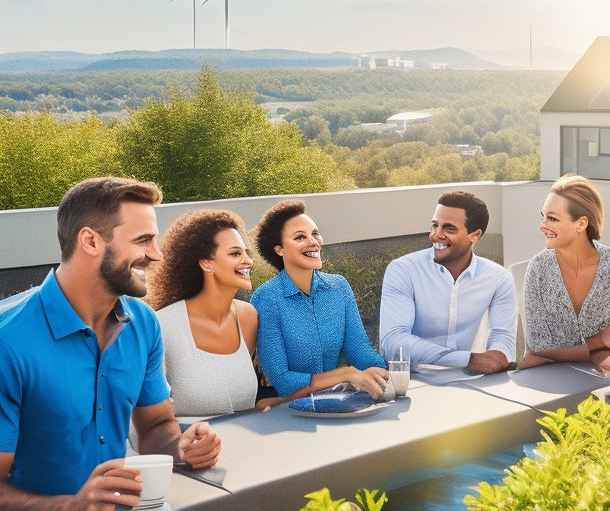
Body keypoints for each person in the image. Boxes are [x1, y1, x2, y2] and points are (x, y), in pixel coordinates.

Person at [0, 176, 221, 510]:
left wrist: (181, 448)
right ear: (90, 241)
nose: (157, 255)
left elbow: (156, 425)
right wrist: (68, 506)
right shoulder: (8, 341)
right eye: (143, 240)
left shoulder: (143, 323)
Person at [146, 209, 281, 419]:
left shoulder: (248, 317)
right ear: (206, 263)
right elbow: (148, 416)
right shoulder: (162, 325)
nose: (248, 261)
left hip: (250, 444)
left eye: (246, 253)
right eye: (235, 253)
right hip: (187, 446)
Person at [249, 200, 388, 399]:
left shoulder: (339, 287)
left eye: (315, 233)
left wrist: (378, 372)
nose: (313, 241)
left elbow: (361, 352)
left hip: (333, 403)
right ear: (279, 249)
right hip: (287, 412)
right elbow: (283, 381)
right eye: (300, 237)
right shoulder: (267, 298)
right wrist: (346, 375)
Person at [379, 191, 517, 374]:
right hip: (415, 383)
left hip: (472, 381)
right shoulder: (403, 270)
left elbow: (503, 338)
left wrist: (497, 357)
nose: (436, 235)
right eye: (434, 225)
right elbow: (393, 342)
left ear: (474, 235)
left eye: (449, 228)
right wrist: (466, 360)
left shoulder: (499, 278)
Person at [519, 174, 610, 374]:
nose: (542, 225)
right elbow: (538, 347)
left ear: (581, 224)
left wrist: (557, 352)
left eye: (552, 218)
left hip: (605, 379)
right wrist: (599, 345)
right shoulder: (538, 268)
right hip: (546, 378)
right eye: (543, 216)